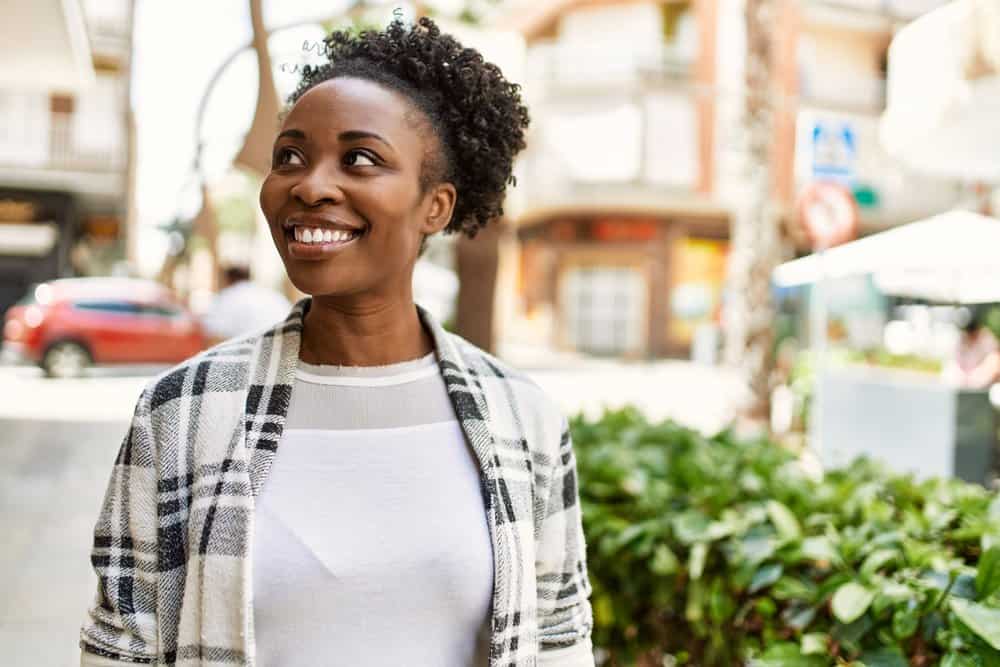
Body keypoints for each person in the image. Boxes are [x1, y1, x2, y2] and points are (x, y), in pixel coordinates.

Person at [79, 18, 594, 667]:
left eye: (360, 158)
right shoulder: (181, 411)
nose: (310, 184)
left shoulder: (525, 418)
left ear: (435, 206)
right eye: (289, 156)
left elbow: (558, 641)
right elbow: (120, 648)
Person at [199, 265, 292, 344]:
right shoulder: (271, 294)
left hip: (246, 354)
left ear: (228, 279)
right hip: (282, 347)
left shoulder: (226, 297)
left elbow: (213, 336)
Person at [946, 312, 1000, 389]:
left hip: (985, 384)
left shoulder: (987, 339)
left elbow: (994, 362)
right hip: (964, 383)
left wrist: (977, 375)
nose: (970, 334)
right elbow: (955, 362)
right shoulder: (961, 339)